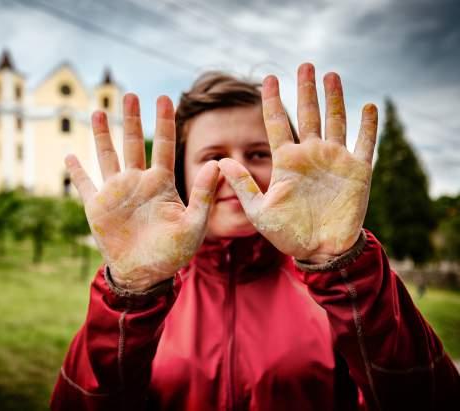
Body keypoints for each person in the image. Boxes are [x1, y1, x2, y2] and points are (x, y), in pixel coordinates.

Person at [49, 63, 460, 410]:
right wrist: (133, 292)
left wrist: (341, 265)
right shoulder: (144, 296)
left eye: (258, 153)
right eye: (213, 157)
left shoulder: (338, 287)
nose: (236, 171)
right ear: (181, 173)